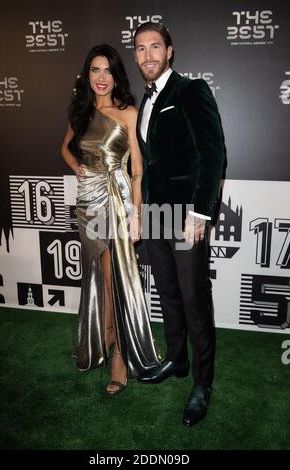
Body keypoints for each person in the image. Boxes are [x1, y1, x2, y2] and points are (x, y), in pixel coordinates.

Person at [134, 22, 226, 426]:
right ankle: (177, 359)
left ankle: (202, 384)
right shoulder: (146, 98)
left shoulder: (191, 91)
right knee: (168, 293)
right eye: (140, 49)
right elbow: (151, 163)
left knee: (193, 299)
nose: (147, 55)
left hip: (185, 217)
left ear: (170, 52)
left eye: (155, 47)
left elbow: (212, 153)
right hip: (156, 216)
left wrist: (200, 213)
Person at [61, 44, 160, 395]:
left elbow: (137, 170)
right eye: (94, 70)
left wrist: (137, 214)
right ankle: (102, 337)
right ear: (87, 75)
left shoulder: (128, 113)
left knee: (112, 275)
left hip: (116, 204)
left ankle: (118, 352)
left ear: (116, 75)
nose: (101, 78)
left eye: (107, 71)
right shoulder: (81, 112)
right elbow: (65, 147)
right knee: (100, 277)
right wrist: (79, 170)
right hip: (87, 204)